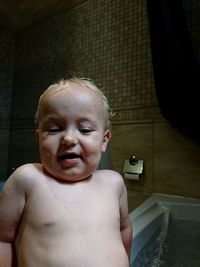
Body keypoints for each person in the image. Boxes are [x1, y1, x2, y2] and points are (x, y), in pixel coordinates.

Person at [0, 75, 132, 267]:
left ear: (104, 140)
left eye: (85, 130)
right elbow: (3, 238)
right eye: (54, 130)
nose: (69, 139)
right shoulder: (28, 179)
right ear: (39, 138)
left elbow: (124, 229)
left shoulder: (114, 183)